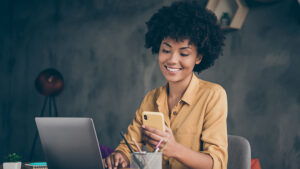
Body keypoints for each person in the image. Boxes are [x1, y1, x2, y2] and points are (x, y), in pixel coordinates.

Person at [104, 1, 227, 169]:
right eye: (166, 50)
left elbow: (218, 164)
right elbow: (129, 145)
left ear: (198, 58)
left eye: (184, 53)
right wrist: (120, 156)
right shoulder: (151, 98)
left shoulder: (213, 95)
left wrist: (175, 149)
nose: (172, 60)